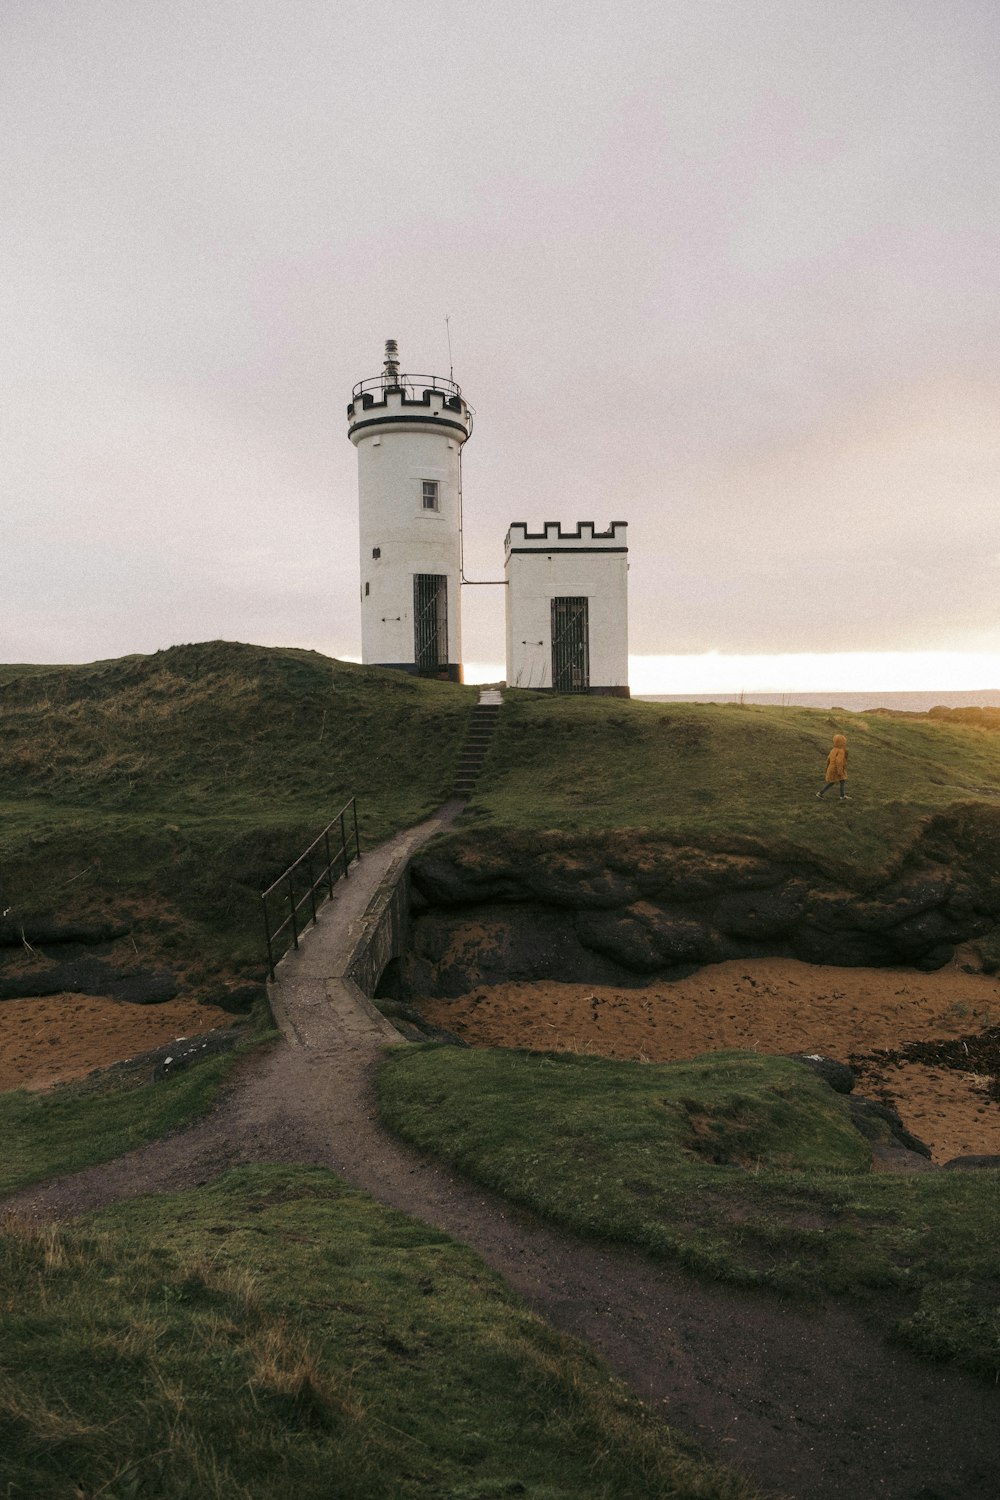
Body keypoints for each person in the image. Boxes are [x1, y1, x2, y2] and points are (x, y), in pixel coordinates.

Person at [817, 733, 849, 800]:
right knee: (842, 780)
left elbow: (828, 759)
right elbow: (839, 762)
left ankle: (820, 793)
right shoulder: (841, 751)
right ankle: (842, 796)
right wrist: (840, 771)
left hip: (831, 768)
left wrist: (827, 768)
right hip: (836, 769)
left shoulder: (833, 749)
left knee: (832, 782)